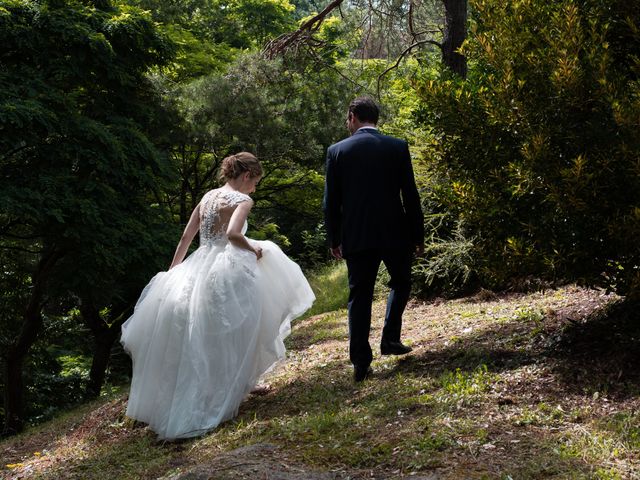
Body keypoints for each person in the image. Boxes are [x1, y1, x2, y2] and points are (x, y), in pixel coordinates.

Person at [120, 152, 315, 439]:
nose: (255, 189)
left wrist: (173, 273)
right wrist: (255, 250)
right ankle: (231, 387)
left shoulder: (208, 197)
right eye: (256, 182)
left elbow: (186, 237)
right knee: (237, 327)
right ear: (247, 175)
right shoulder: (242, 201)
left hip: (198, 264)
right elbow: (235, 235)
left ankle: (233, 384)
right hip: (226, 268)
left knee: (199, 333)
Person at [323, 97, 424, 382]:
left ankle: (360, 362)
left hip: (356, 234)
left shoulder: (337, 151)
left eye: (347, 119)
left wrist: (334, 239)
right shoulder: (397, 146)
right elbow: (410, 195)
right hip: (396, 232)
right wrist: (418, 235)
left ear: (353, 116)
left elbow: (331, 202)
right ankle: (390, 338)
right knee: (402, 283)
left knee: (360, 296)